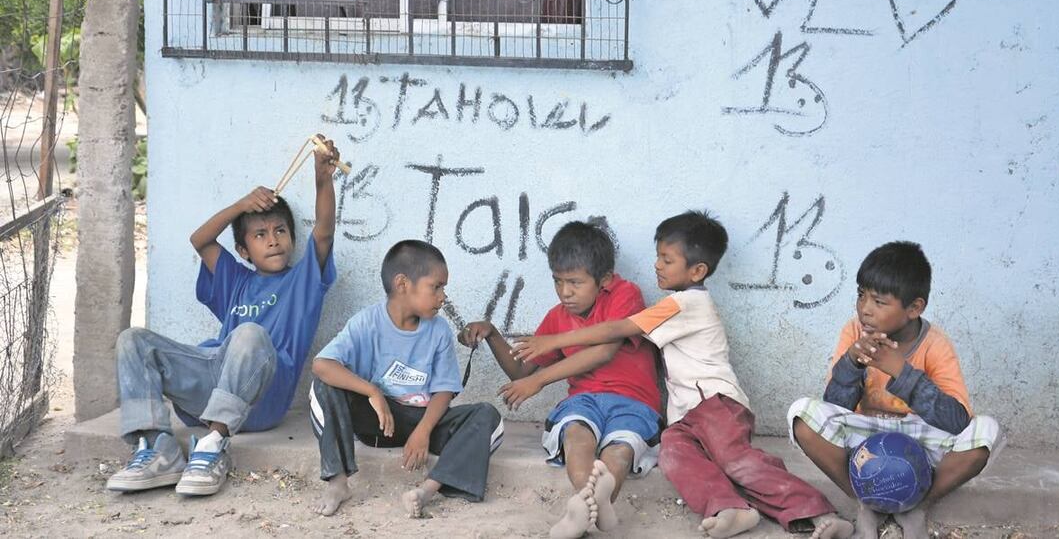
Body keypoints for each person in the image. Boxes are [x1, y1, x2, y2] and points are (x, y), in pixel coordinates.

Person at [514, 211, 853, 539]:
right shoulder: (675, 303)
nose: (657, 266)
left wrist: (555, 340)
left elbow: (615, 330)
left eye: (666, 259)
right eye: (658, 256)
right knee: (674, 455)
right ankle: (728, 508)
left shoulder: (686, 304)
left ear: (697, 270)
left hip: (716, 404)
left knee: (737, 461)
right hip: (685, 416)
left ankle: (818, 512)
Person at [107, 135, 340, 496]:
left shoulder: (304, 280)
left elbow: (324, 232)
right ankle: (156, 447)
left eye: (280, 231)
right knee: (133, 340)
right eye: (260, 235)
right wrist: (241, 205)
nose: (273, 239)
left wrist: (322, 178)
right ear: (244, 251)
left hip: (263, 400)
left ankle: (213, 445)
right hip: (212, 385)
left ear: (293, 240)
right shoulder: (235, 279)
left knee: (249, 334)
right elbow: (200, 240)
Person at [459, 221, 663, 539]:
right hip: (584, 400)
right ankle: (588, 503)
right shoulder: (557, 316)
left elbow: (605, 350)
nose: (565, 292)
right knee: (577, 436)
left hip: (634, 400)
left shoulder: (625, 294)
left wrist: (541, 378)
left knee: (620, 451)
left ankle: (591, 504)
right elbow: (520, 373)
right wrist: (492, 334)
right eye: (557, 281)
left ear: (604, 280)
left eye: (574, 282)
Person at [788, 241, 1002, 539]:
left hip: (920, 436)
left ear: (914, 308)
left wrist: (901, 371)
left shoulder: (935, 343)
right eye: (861, 295)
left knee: (986, 431)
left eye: (879, 302)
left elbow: (957, 421)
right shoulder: (853, 332)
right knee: (802, 414)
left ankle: (916, 506)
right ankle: (865, 502)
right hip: (867, 433)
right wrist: (852, 363)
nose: (865, 309)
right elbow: (835, 407)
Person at [309, 240, 504, 518]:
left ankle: (427, 490)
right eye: (436, 287)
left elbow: (444, 391)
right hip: (378, 420)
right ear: (403, 284)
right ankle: (338, 481)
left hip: (423, 421)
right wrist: (372, 392)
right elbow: (322, 364)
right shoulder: (366, 323)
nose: (443, 297)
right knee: (324, 387)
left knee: (487, 417)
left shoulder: (438, 330)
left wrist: (423, 431)